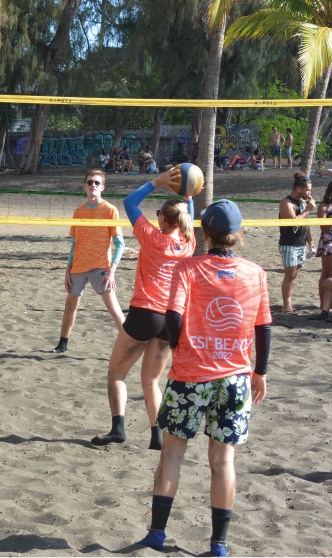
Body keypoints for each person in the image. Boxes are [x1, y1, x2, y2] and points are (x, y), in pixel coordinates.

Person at [136, 199, 271, 558]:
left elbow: (173, 316)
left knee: (172, 455)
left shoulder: (188, 269)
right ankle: (218, 544)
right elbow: (263, 328)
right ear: (237, 235)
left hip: (190, 375)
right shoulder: (255, 273)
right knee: (222, 461)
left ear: (205, 233)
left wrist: (180, 349)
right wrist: (260, 372)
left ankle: (156, 535)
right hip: (236, 378)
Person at [91, 168, 195, 448]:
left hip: (145, 313)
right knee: (151, 380)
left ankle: (118, 429)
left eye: (158, 214)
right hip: (171, 319)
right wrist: (188, 192)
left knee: (116, 374)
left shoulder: (151, 236)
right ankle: (157, 436)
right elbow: (189, 214)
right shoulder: (188, 241)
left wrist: (156, 182)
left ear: (162, 218)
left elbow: (128, 203)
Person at [51, 170, 125, 354]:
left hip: (100, 269)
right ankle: (62, 346)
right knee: (70, 308)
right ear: (84, 186)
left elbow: (120, 244)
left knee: (115, 311)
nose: (93, 185)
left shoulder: (110, 210)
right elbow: (74, 244)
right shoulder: (78, 212)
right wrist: (67, 270)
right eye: (90, 182)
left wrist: (112, 271)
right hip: (78, 267)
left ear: (102, 187)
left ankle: (130, 347)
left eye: (97, 183)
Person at [278, 173, 316, 314]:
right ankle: (286, 305)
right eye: (308, 190)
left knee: (294, 275)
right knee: (289, 275)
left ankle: (289, 303)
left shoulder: (303, 202)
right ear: (299, 189)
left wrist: (310, 242)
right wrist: (308, 210)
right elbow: (293, 222)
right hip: (289, 244)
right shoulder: (286, 203)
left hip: (300, 244)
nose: (309, 193)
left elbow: (305, 224)